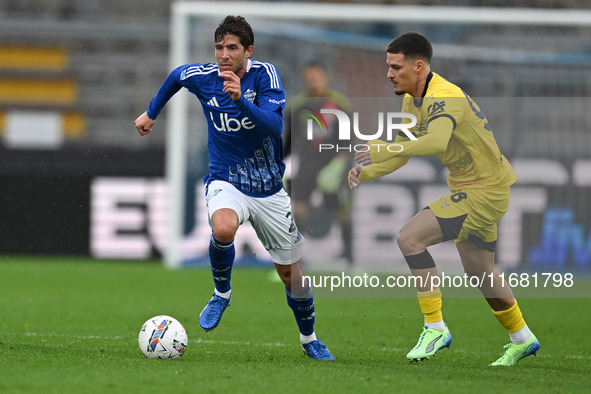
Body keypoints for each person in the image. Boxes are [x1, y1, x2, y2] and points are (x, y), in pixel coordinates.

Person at [134, 15, 334, 361]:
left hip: (270, 189)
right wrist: (151, 113)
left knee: (292, 277)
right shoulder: (204, 77)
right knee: (223, 227)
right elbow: (175, 76)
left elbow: (274, 127)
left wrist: (242, 100)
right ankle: (221, 293)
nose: (224, 55)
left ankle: (309, 338)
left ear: (248, 50)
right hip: (226, 178)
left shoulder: (265, 76)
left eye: (232, 48)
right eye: (219, 47)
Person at [349, 32, 539, 366]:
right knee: (480, 272)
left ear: (418, 66)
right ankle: (522, 337)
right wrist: (367, 172)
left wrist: (381, 148)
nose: (388, 73)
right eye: (388, 66)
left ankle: (434, 327)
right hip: (478, 189)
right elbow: (401, 154)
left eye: (395, 67)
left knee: (409, 238)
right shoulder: (412, 98)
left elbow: (435, 143)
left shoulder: (445, 96)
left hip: (483, 192)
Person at [283, 61, 354, 265]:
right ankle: (292, 262)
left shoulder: (340, 104)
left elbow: (348, 140)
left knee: (342, 212)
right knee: (299, 211)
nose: (313, 81)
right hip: (305, 165)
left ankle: (350, 262)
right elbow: (288, 141)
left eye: (317, 76)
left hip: (332, 165)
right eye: (309, 77)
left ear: (325, 77)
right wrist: (283, 165)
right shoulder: (297, 105)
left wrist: (339, 165)